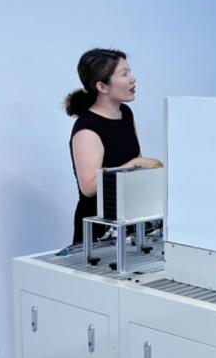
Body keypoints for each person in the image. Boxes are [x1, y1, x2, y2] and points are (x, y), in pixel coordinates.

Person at [65, 49, 162, 245]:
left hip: (128, 220)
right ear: (102, 86)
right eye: (124, 74)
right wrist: (134, 164)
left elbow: (137, 163)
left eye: (130, 71)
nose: (133, 79)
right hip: (98, 228)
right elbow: (89, 187)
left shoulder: (125, 113)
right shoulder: (87, 129)